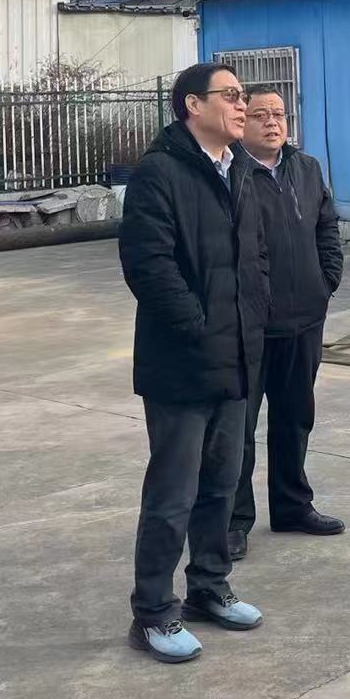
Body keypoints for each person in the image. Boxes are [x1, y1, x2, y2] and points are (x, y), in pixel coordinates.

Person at [119, 63, 270, 664]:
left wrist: (255, 319)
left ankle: (209, 586)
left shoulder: (239, 169)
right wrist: (199, 327)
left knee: (221, 486)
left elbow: (253, 257)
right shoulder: (159, 173)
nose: (242, 105)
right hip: (182, 364)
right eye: (230, 95)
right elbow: (149, 266)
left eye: (243, 96)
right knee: (173, 494)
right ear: (192, 105)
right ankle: (154, 612)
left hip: (237, 357)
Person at [227, 86, 344, 561]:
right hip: (249, 326)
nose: (273, 123)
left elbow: (327, 227)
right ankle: (233, 522)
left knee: (295, 419)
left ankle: (293, 506)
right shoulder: (230, 173)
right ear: (242, 122)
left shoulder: (306, 168)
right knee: (238, 430)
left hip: (304, 319)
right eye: (260, 115)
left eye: (279, 114)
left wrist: (326, 280)